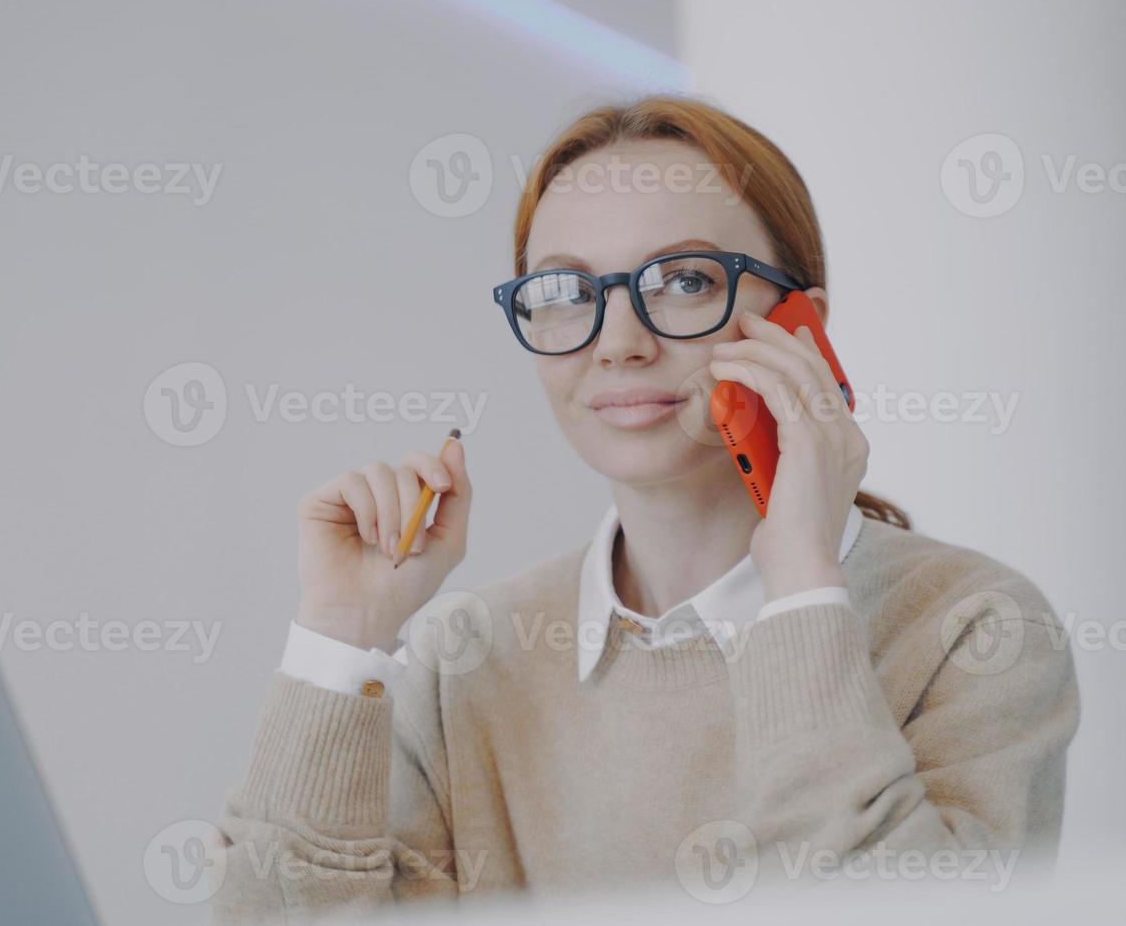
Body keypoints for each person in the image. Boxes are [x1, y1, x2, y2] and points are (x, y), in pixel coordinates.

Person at [210, 95, 1080, 923]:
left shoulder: (974, 627)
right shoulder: (464, 660)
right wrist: (338, 638)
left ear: (800, 326)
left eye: (685, 281)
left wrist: (805, 586)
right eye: (562, 294)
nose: (620, 344)